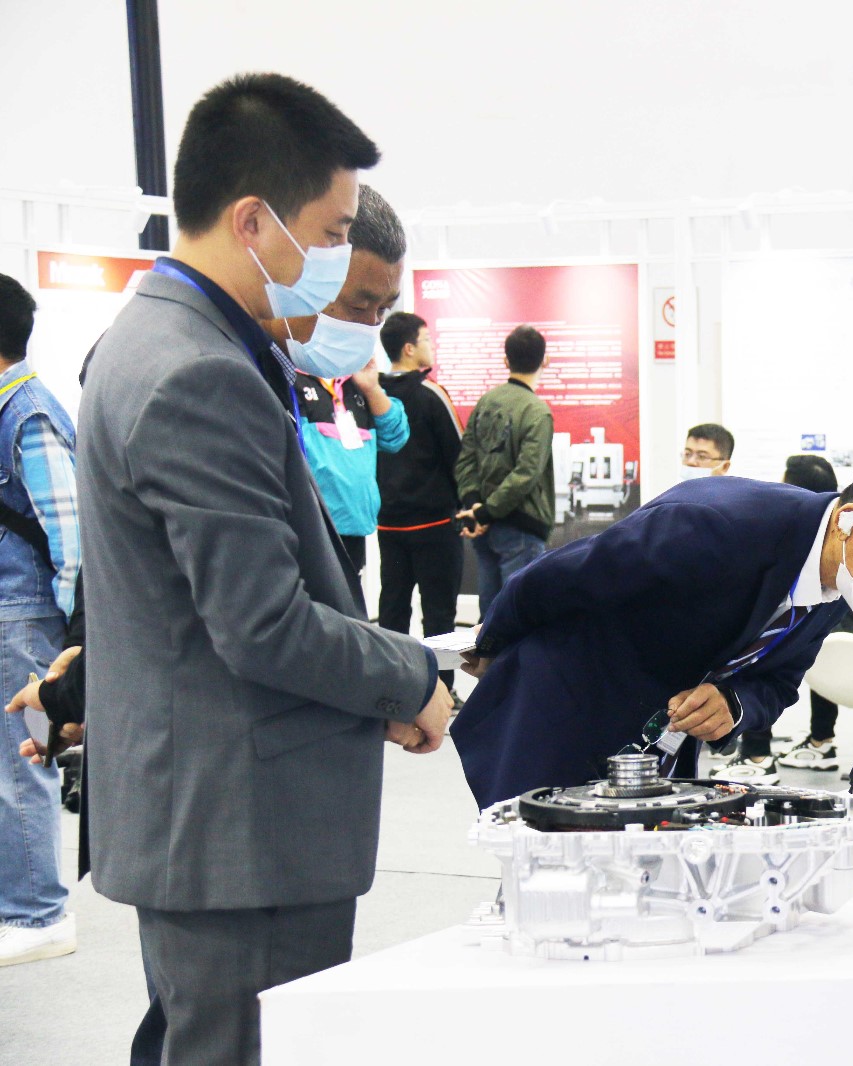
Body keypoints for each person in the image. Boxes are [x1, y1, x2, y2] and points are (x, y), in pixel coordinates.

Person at [76, 73, 454, 1066]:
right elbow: (263, 624)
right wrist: (412, 674)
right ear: (252, 221)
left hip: (215, 814)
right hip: (242, 827)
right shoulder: (198, 370)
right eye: (330, 235)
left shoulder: (165, 340)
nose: (333, 262)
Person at [451, 443, 853, 808]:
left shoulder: (841, 574)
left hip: (652, 755)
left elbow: (779, 682)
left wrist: (733, 704)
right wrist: (493, 643)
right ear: (851, 521)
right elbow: (559, 578)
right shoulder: (715, 525)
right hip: (561, 716)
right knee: (549, 893)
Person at [715, 453, 853, 783]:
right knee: (814, 645)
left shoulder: (798, 553)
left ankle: (756, 754)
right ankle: (821, 740)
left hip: (849, 653)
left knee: (772, 650)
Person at [278, 184, 410, 611]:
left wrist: (372, 388)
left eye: (383, 311)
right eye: (358, 306)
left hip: (354, 525)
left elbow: (396, 436)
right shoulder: (282, 378)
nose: (369, 325)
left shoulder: (356, 381)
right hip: (310, 528)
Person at [0, 273, 80, 967]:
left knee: (20, 764)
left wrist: (75, 640)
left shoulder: (29, 415)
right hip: (12, 611)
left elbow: (70, 536)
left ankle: (38, 913)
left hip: (24, 615)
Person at [376, 311, 464, 699]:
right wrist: (465, 506)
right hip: (433, 525)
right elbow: (459, 456)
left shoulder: (371, 395)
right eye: (427, 339)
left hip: (388, 525)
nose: (432, 346)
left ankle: (392, 688)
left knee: (393, 611)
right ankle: (441, 691)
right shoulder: (431, 394)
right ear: (410, 349)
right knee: (440, 615)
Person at [454, 325, 555, 619]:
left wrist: (476, 506)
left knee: (489, 616)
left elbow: (466, 459)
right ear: (545, 360)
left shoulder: (485, 403)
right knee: (519, 615)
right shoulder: (537, 411)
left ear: (505, 360)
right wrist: (486, 512)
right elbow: (526, 474)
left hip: (485, 527)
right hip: (520, 527)